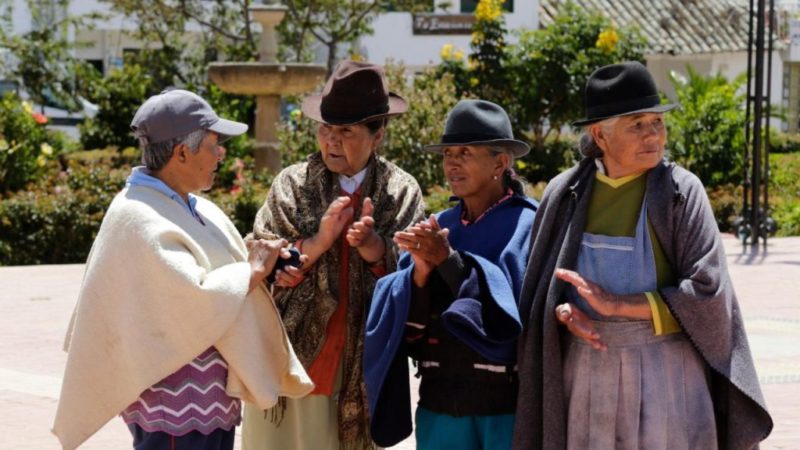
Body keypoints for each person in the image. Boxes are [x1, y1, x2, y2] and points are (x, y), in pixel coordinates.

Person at [513, 62, 773, 449]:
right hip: (585, 374)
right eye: (637, 124)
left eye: (657, 122)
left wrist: (619, 305)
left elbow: (709, 295)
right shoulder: (564, 192)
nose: (653, 135)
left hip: (667, 374)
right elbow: (541, 292)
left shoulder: (681, 193)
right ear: (600, 134)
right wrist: (564, 314)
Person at [52, 89, 313, 450]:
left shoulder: (187, 204)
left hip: (205, 402)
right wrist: (252, 271)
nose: (221, 154)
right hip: (175, 407)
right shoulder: (139, 214)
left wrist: (264, 265)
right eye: (214, 145)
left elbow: (221, 268)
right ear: (182, 152)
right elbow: (194, 297)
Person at [241, 60, 425, 450]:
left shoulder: (400, 191)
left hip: (363, 365)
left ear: (378, 135)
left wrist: (376, 248)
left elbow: (417, 271)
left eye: (346, 131)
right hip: (292, 362)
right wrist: (315, 245)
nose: (331, 141)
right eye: (325, 128)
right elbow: (260, 253)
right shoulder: (292, 184)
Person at [365, 99, 537, 450]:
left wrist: (448, 260)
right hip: (439, 400)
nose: (452, 162)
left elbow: (511, 315)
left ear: (500, 162)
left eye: (465, 152)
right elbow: (411, 323)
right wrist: (420, 274)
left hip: (505, 407)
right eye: (447, 154)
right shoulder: (439, 225)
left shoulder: (530, 225)